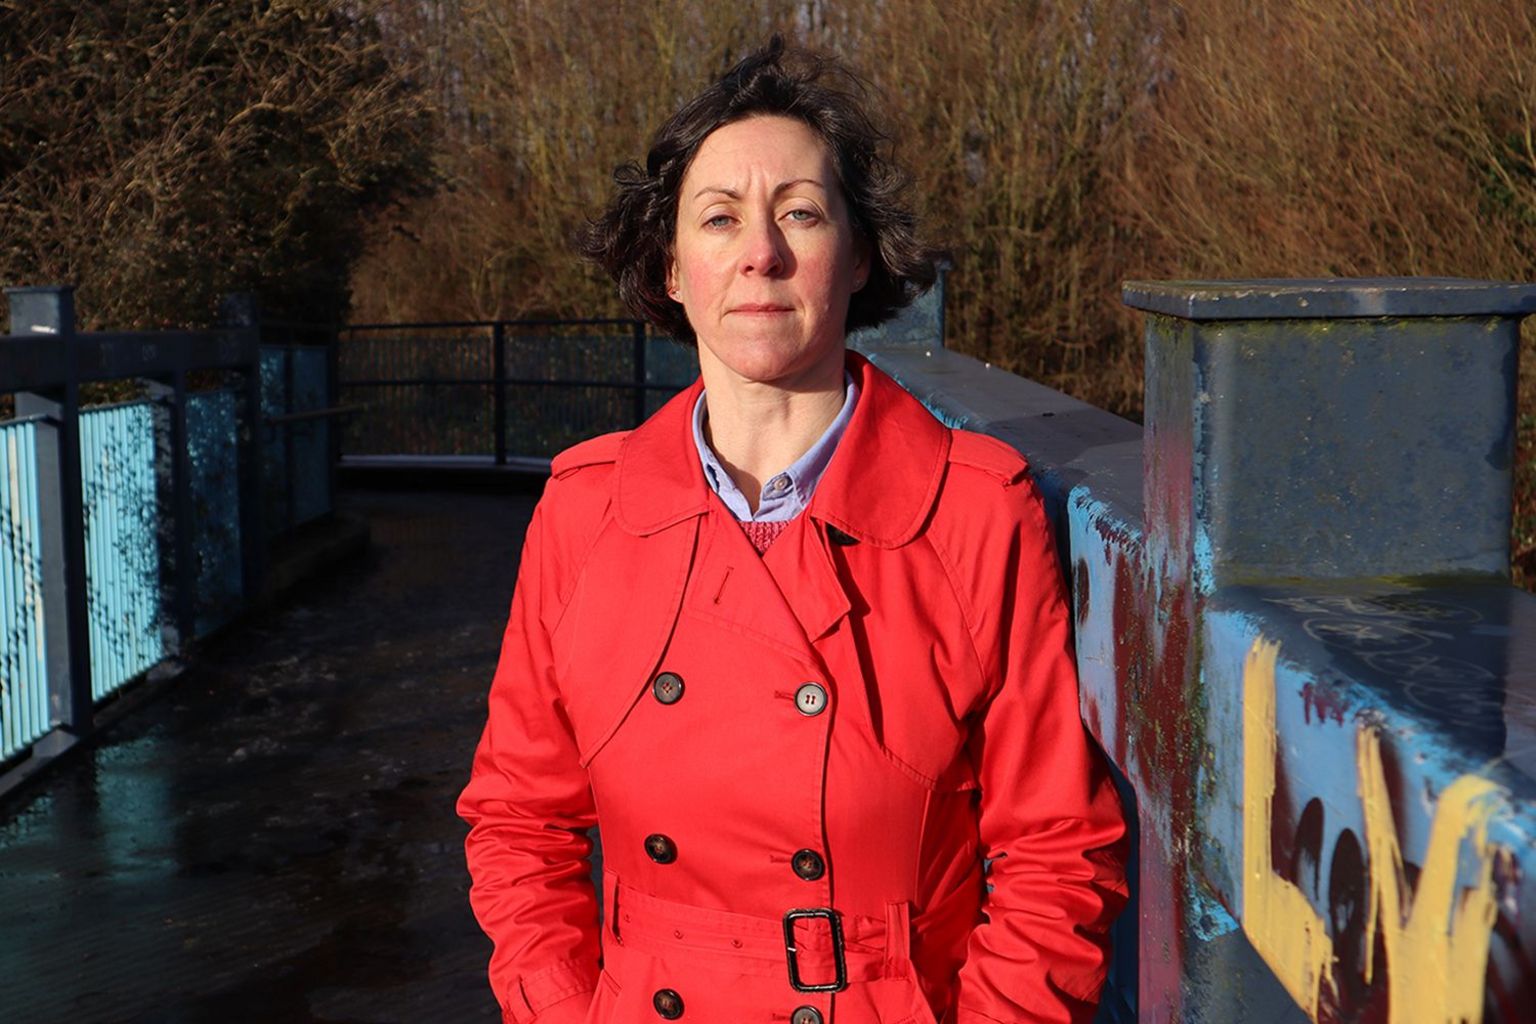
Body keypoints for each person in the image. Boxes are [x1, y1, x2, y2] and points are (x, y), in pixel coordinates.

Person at [457, 37, 1127, 1024]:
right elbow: (520, 821)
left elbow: (1055, 853)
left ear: (858, 258)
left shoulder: (977, 509)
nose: (761, 253)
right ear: (672, 268)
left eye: (800, 214)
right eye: (719, 218)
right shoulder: (584, 510)